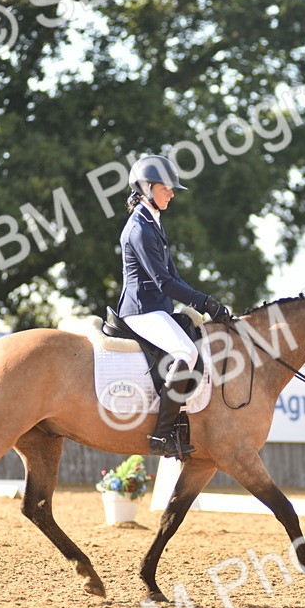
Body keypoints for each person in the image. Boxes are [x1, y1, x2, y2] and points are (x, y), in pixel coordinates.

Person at [117, 154, 233, 459]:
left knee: (193, 339)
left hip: (158, 308)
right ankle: (161, 435)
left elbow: (174, 277)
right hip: (141, 309)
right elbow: (162, 282)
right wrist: (204, 301)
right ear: (147, 188)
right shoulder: (140, 228)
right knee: (186, 352)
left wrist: (203, 302)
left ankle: (180, 424)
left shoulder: (153, 224)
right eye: (167, 188)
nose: (172, 193)